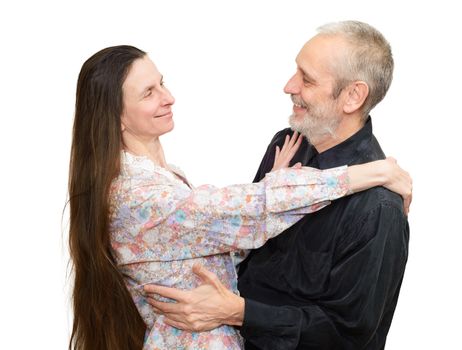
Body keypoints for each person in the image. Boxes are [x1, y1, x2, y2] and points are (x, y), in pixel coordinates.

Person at [68, 45, 411, 349]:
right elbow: (249, 212)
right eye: (148, 93)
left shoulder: (377, 208)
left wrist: (238, 311)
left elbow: (352, 334)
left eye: (306, 79)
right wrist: (371, 172)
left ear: (353, 96)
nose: (168, 96)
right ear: (114, 116)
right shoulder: (137, 194)